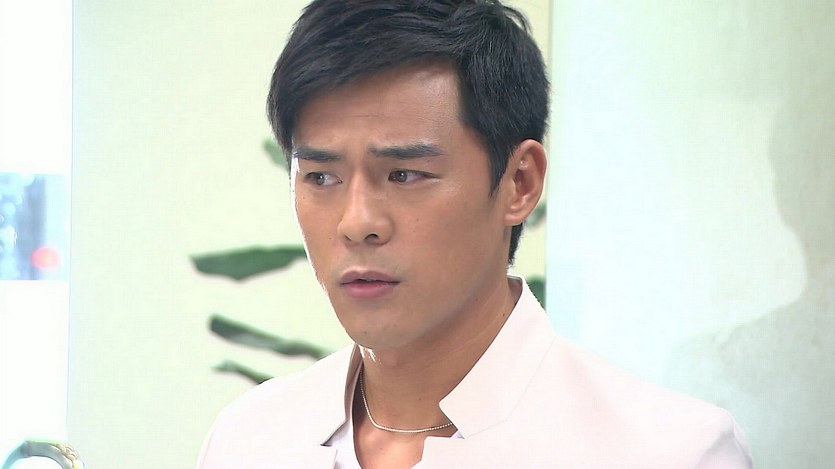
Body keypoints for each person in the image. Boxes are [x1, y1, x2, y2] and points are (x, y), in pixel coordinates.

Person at [197, 1, 753, 467]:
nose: (358, 223)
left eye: (404, 174)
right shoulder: (248, 441)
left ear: (519, 183)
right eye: (321, 177)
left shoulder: (669, 452)